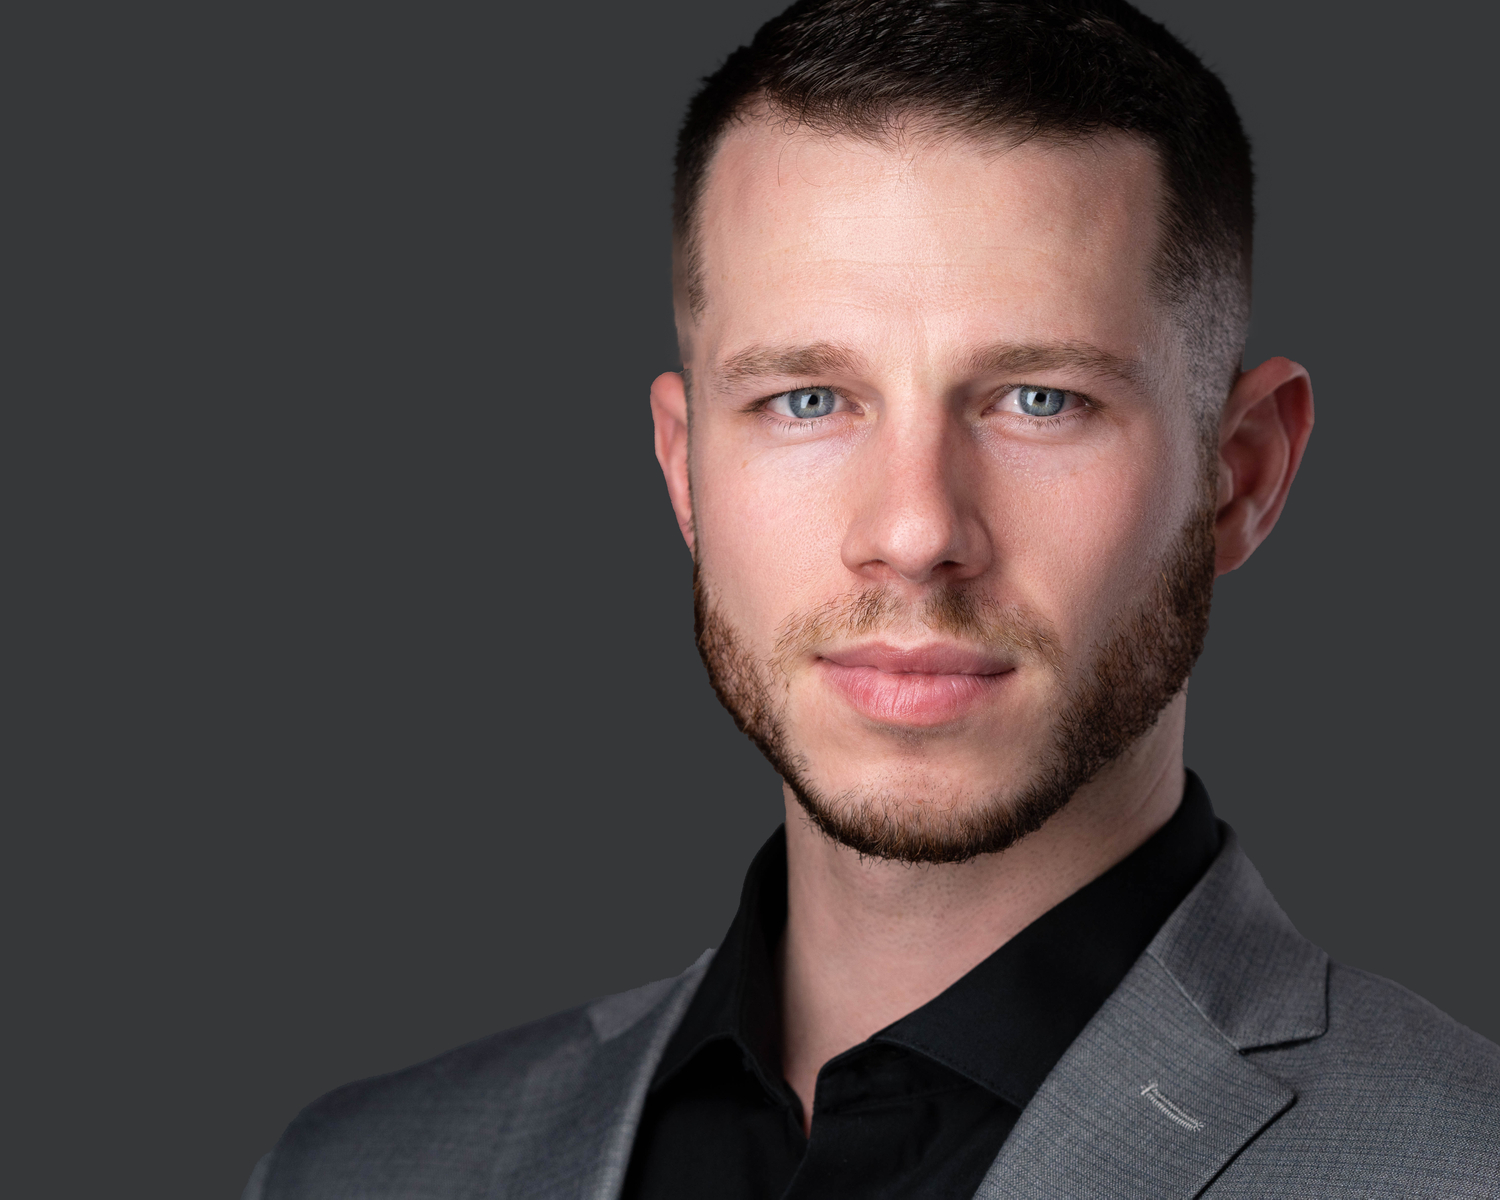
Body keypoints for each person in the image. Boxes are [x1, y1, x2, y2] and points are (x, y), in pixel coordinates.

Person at [244, 1, 1500, 1195]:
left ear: (1243, 475)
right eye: (806, 400)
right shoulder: (360, 1174)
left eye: (1041, 400)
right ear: (686, 472)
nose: (913, 533)